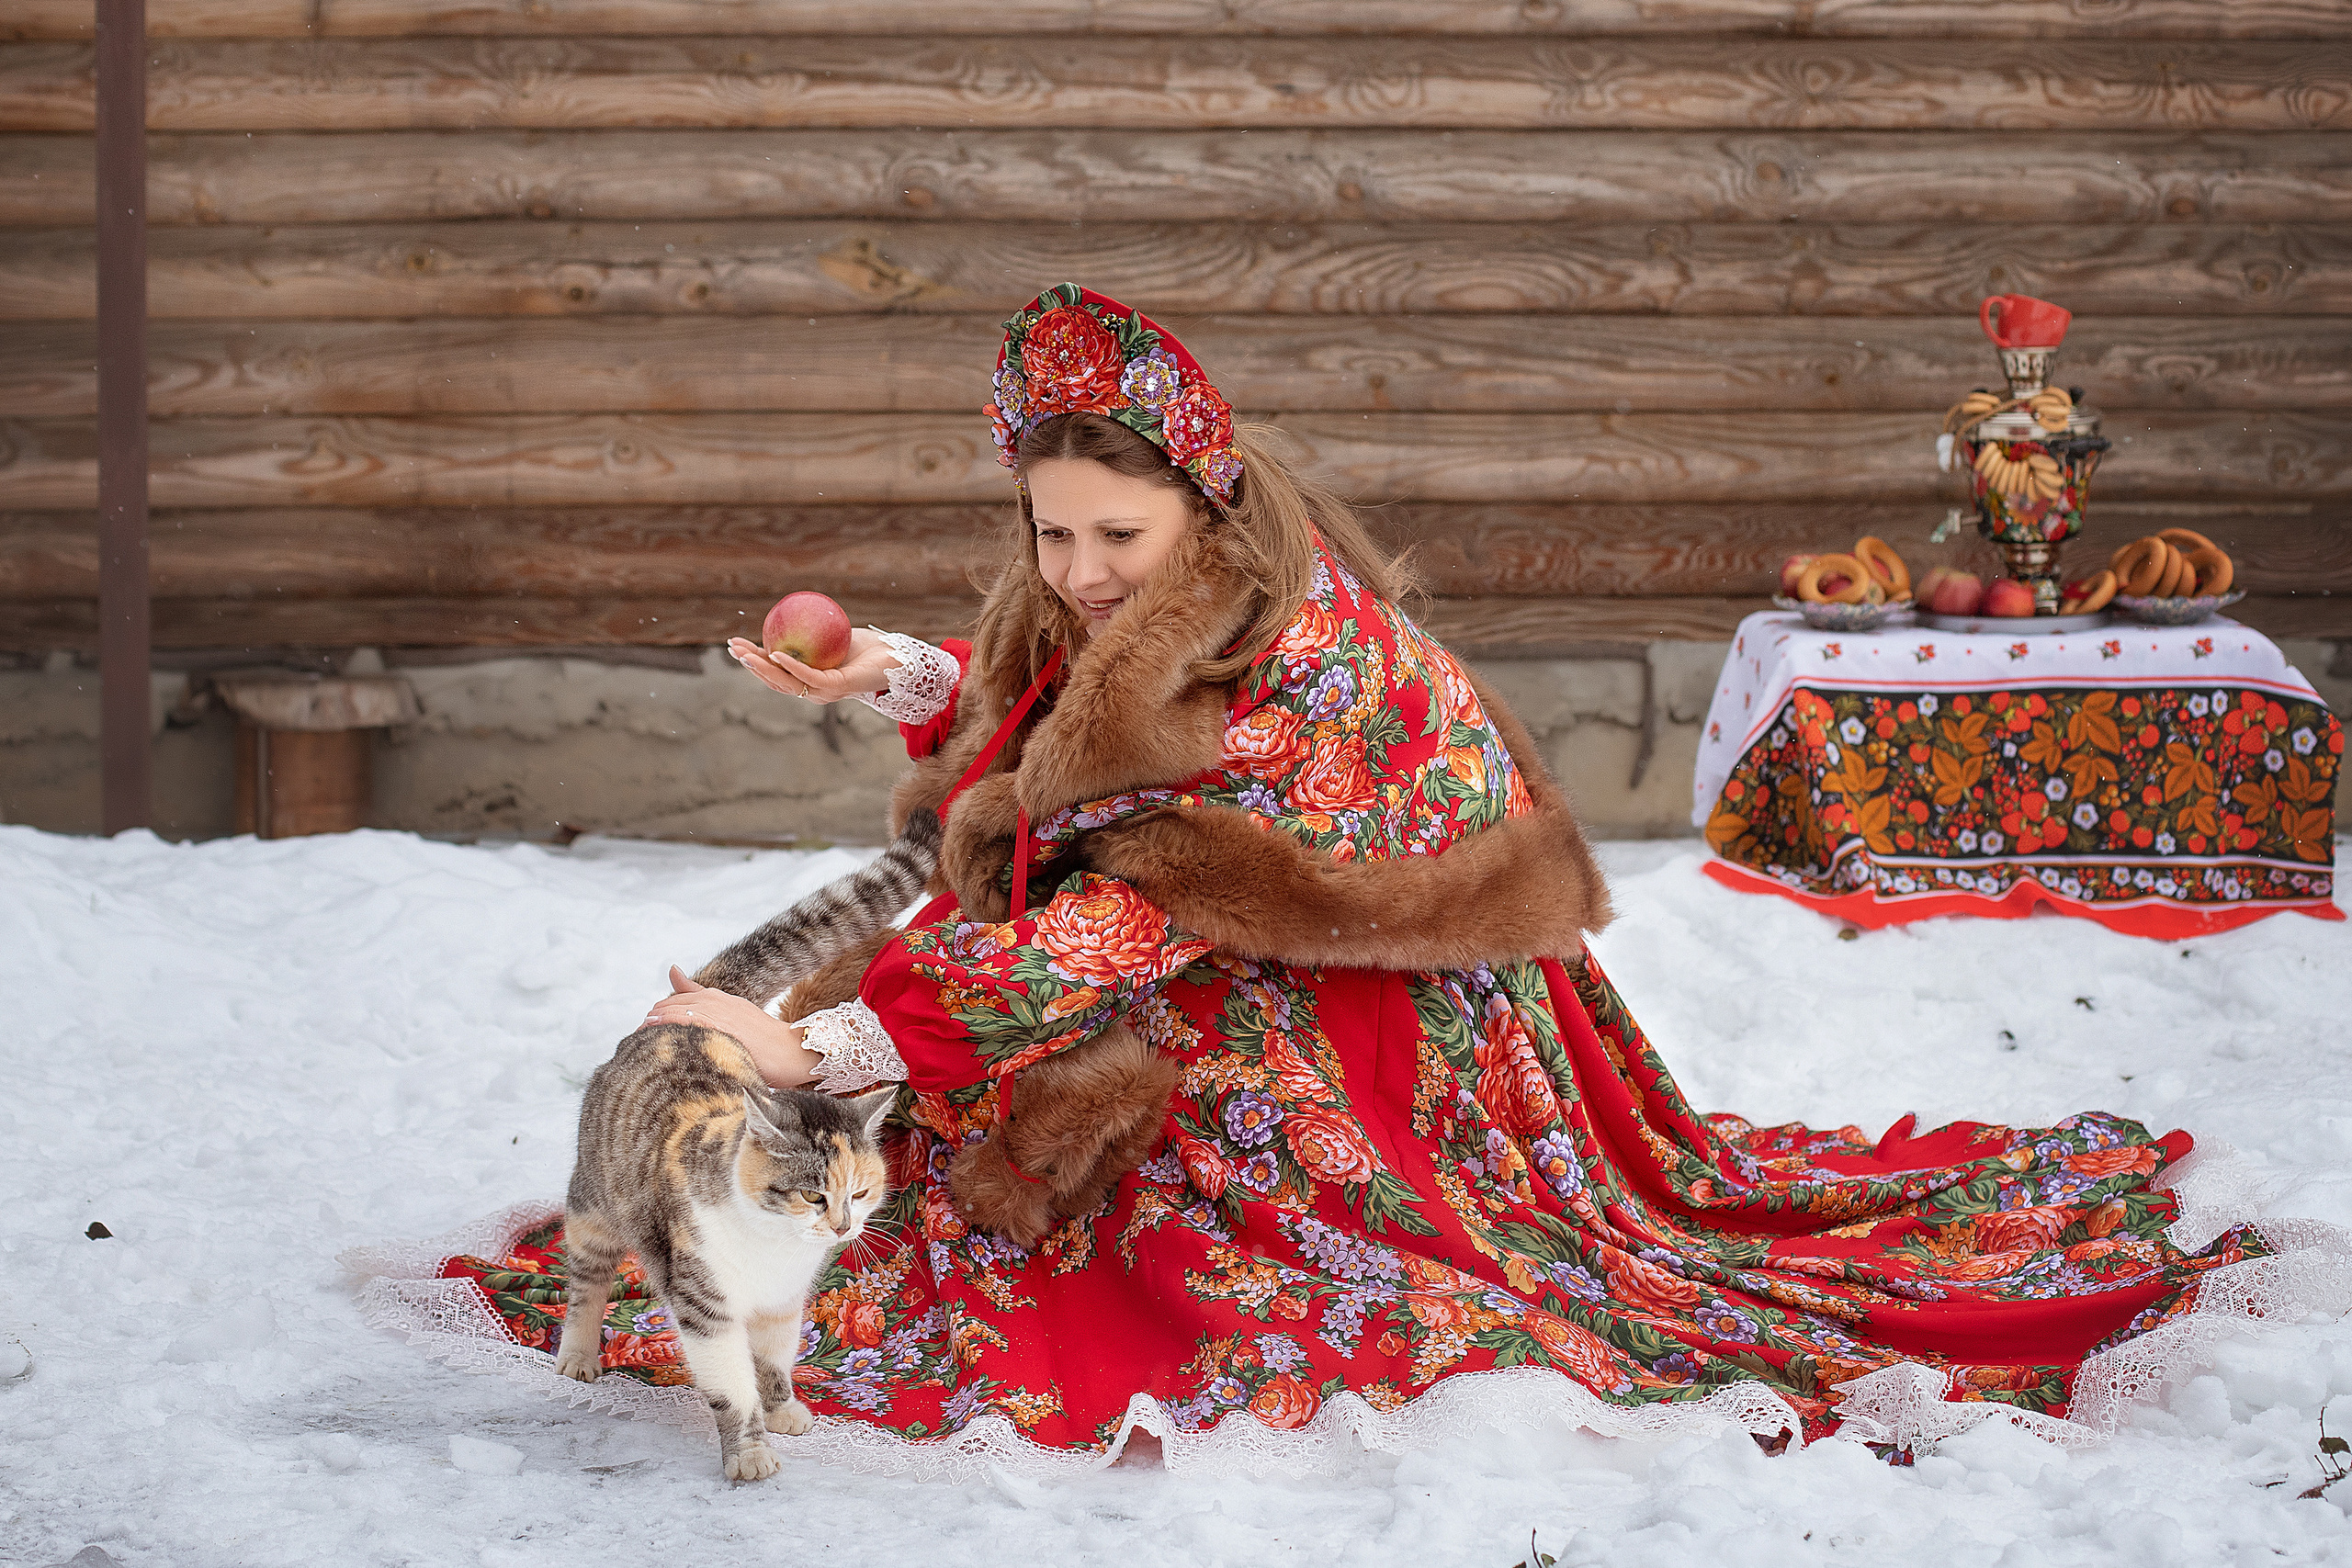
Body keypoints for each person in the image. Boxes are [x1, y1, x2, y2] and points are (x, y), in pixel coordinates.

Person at [464, 286, 2320, 1475]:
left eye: (1112, 534)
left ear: (1201, 502)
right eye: (1047, 533)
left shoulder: (1297, 669)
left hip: (1361, 1008)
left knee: (1216, 1228)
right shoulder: (1108, 595)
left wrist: (824, 1046)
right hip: (1203, 941)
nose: (1080, 568)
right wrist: (920, 676)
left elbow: (1128, 908)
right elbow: (1057, 765)